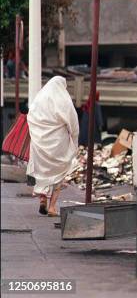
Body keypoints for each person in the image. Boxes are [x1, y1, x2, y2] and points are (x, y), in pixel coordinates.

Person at [27, 76, 79, 217]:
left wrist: (37, 133)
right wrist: (74, 139)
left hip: (39, 143)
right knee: (59, 173)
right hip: (58, 143)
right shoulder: (63, 99)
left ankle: (42, 199)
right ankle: (52, 207)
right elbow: (73, 121)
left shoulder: (39, 99)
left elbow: (30, 116)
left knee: (41, 172)